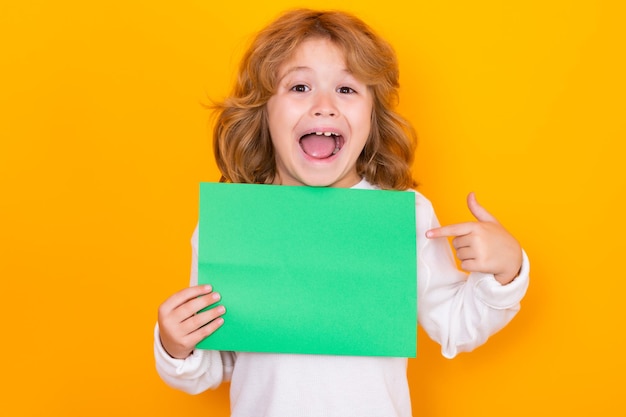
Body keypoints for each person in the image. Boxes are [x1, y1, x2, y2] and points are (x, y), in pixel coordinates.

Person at [154, 8, 529, 417]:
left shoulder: (405, 218)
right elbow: (218, 361)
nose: (324, 106)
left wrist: (505, 273)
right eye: (299, 86)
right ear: (263, 110)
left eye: (347, 90)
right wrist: (176, 344)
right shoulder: (235, 223)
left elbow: (457, 324)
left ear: (372, 117)